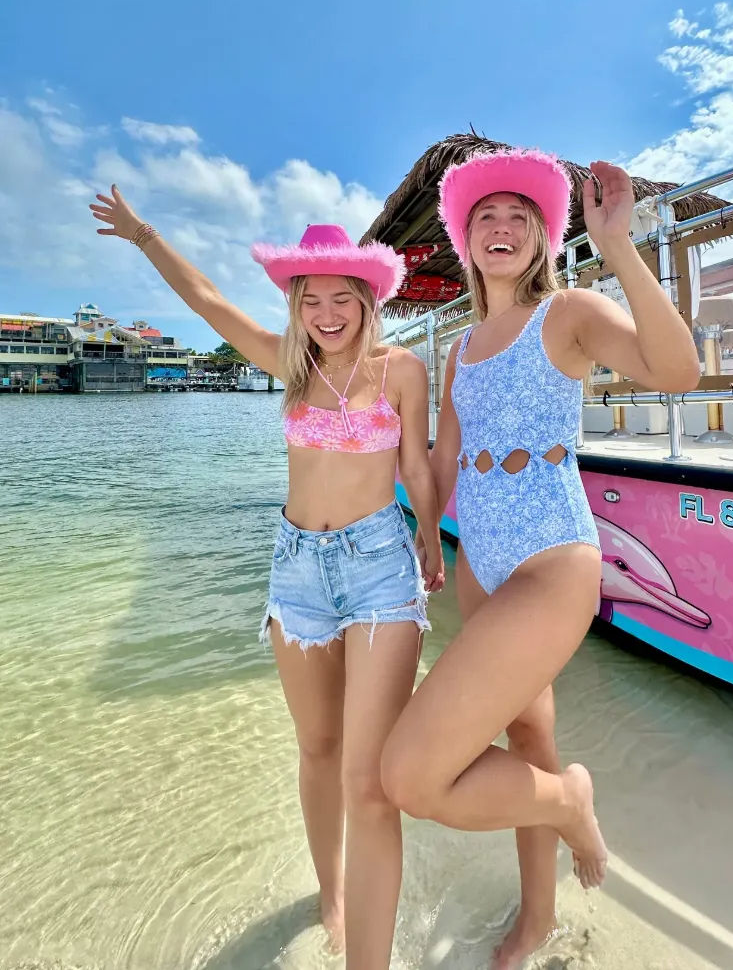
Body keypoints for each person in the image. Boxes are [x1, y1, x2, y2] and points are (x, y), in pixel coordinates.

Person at [89, 186, 444, 970]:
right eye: (309, 298)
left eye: (339, 298)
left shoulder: (403, 370)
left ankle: (370, 940)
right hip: (295, 570)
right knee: (316, 747)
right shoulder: (284, 364)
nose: (325, 312)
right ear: (295, 304)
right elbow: (207, 298)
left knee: (363, 768)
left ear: (365, 297)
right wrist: (145, 234)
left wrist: (431, 538)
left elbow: (415, 465)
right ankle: (331, 893)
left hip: (381, 564)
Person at [380, 148, 701, 969]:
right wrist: (423, 529)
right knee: (526, 737)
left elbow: (678, 370)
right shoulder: (460, 349)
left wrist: (618, 245)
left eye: (521, 216)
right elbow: (446, 454)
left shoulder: (568, 313)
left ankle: (571, 802)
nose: (502, 225)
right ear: (463, 236)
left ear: (544, 238)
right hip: (481, 562)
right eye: (485, 215)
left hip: (553, 559)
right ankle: (539, 918)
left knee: (412, 775)